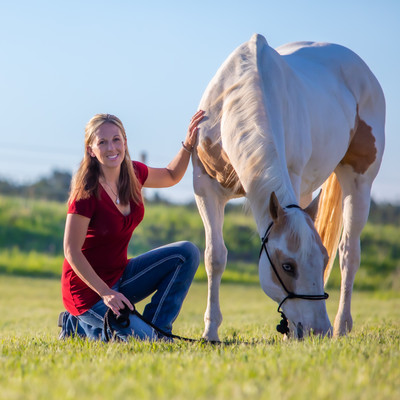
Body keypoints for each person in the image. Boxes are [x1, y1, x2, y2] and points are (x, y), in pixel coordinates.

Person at [59, 110, 205, 341]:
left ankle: (159, 330)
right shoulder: (85, 192)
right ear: (91, 150)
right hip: (89, 293)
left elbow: (171, 176)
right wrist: (105, 293)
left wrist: (188, 144)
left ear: (125, 142)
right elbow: (71, 251)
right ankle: (76, 323)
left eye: (116, 139)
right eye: (102, 142)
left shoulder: (134, 173)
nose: (111, 148)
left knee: (187, 253)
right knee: (142, 341)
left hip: (120, 277)